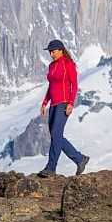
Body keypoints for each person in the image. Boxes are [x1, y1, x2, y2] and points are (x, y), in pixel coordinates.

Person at [36, 39, 89, 178]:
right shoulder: (52, 66)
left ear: (60, 50)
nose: (51, 54)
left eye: (53, 51)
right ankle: (80, 159)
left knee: (56, 135)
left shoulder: (68, 64)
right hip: (53, 105)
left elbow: (74, 85)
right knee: (56, 136)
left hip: (63, 104)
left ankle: (51, 168)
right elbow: (51, 86)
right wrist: (44, 103)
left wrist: (71, 103)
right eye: (49, 52)